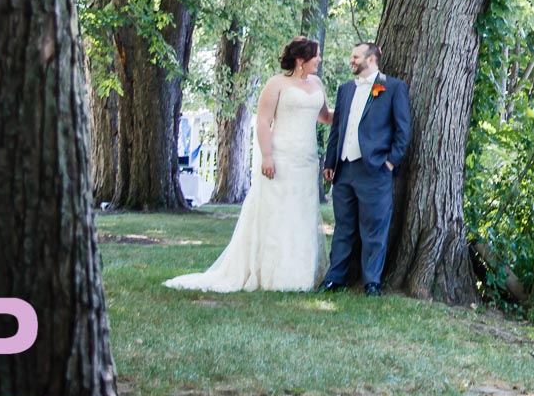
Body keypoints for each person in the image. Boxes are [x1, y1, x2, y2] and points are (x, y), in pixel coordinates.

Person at [164, 36, 332, 293]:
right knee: (280, 212)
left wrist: (355, 111)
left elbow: (326, 116)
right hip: (281, 155)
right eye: (315, 55)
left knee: (303, 212)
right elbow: (263, 122)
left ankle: (302, 272)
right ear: (301, 59)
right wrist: (267, 156)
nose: (319, 60)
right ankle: (275, 273)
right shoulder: (276, 84)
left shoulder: (317, 84)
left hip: (307, 159)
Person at [320, 41, 412, 296]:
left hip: (375, 169)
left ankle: (372, 282)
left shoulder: (393, 87)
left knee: (374, 228)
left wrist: (390, 162)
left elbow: (403, 130)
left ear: (371, 59)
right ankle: (334, 278)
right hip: (344, 169)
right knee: (343, 227)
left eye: (356, 56)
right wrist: (330, 161)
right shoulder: (346, 89)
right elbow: (337, 128)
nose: (351, 60)